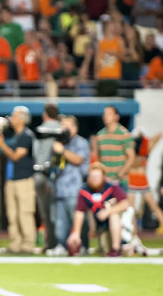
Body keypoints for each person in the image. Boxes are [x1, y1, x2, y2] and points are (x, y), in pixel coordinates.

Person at [0, 106, 36, 254]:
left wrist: (1, 144)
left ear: (23, 119)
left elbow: (17, 156)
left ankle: (28, 245)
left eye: (14, 116)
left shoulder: (26, 135)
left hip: (24, 180)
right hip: (11, 179)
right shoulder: (16, 136)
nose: (11, 119)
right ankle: (15, 244)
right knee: (12, 214)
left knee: (25, 213)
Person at [45, 115, 90, 256]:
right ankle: (61, 245)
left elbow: (78, 160)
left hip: (75, 189)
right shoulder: (59, 142)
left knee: (77, 221)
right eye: (62, 125)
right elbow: (54, 166)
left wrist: (62, 151)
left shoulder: (80, 142)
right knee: (60, 222)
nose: (63, 128)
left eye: (66, 126)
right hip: (59, 188)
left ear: (74, 128)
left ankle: (83, 246)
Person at [68, 162, 130, 257]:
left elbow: (125, 204)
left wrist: (108, 211)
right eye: (92, 177)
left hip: (120, 224)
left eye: (97, 177)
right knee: (106, 250)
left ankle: (117, 248)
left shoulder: (112, 187)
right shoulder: (85, 190)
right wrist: (76, 233)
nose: (94, 180)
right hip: (101, 225)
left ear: (103, 177)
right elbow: (79, 212)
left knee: (114, 215)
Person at [33, 103, 59, 251]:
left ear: (45, 114)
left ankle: (51, 243)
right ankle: (58, 242)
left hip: (41, 174)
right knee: (58, 209)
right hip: (58, 175)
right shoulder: (62, 129)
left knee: (46, 212)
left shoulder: (41, 129)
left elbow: (36, 153)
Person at [95, 106, 135, 190]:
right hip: (105, 181)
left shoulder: (124, 134)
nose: (105, 116)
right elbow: (99, 158)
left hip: (121, 182)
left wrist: (120, 174)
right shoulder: (100, 135)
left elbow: (131, 157)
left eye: (109, 114)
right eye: (105, 114)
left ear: (116, 117)